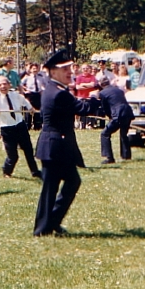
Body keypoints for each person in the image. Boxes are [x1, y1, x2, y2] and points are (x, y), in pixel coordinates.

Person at [33, 49, 98, 237]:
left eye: (70, 68)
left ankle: (50, 223)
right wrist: (95, 97)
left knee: (70, 181)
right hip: (55, 147)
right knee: (51, 188)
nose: (70, 72)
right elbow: (82, 108)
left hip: (58, 145)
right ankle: (43, 228)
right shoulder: (58, 93)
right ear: (53, 72)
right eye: (65, 69)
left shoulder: (55, 89)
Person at [0, 76, 41, 179]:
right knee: (13, 156)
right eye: (0, 85)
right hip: (7, 129)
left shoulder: (15, 94)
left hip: (20, 126)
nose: (3, 86)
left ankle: (35, 172)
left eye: (5, 84)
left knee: (28, 150)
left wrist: (30, 108)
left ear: (9, 85)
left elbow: (24, 101)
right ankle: (6, 171)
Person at [97, 76, 135, 164]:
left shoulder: (102, 93)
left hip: (118, 115)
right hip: (128, 113)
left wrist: (110, 116)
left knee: (105, 134)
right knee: (123, 134)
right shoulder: (119, 90)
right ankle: (126, 155)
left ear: (100, 84)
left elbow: (105, 108)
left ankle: (109, 158)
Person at [21, 63, 46, 130]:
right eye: (33, 68)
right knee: (29, 110)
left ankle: (37, 125)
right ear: (31, 69)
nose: (35, 70)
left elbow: (46, 84)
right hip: (30, 94)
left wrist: (43, 90)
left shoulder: (41, 77)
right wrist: (24, 90)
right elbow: (20, 84)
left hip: (38, 95)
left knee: (37, 110)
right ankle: (27, 125)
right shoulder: (27, 77)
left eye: (36, 68)